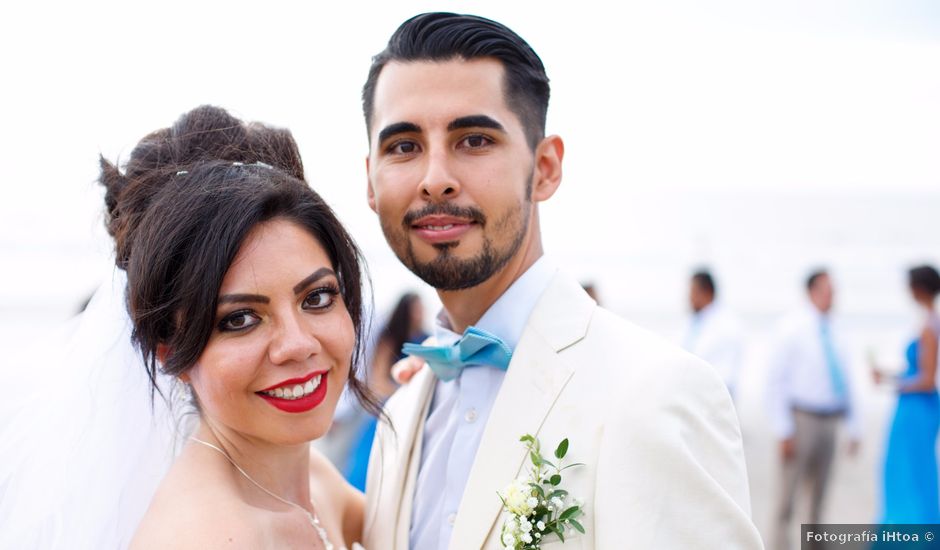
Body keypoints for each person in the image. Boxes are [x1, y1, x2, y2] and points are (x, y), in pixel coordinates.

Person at [360, 12, 762, 549]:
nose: (435, 178)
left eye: (474, 140)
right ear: (370, 180)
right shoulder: (400, 418)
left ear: (545, 168)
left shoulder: (657, 393)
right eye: (404, 146)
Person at [2, 106, 377, 549]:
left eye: (316, 297)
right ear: (167, 351)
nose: (297, 344)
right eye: (240, 320)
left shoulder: (309, 478)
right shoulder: (208, 536)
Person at [766, 269, 861, 550]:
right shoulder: (791, 327)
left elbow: (847, 380)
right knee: (786, 499)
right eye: (827, 289)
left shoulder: (836, 329)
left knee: (819, 499)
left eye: (833, 289)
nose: (832, 295)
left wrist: (855, 426)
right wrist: (783, 429)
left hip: (830, 420)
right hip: (801, 419)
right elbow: (775, 381)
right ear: (811, 292)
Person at [872, 265, 940, 523]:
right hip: (917, 405)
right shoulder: (929, 321)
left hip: (917, 408)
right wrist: (890, 377)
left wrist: (894, 385)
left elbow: (927, 379)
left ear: (918, 288)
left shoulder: (929, 326)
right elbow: (918, 371)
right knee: (910, 469)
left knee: (908, 469)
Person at [344, 292, 428, 490]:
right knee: (370, 465)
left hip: (418, 413)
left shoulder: (428, 338)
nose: (420, 313)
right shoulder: (392, 337)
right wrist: (406, 393)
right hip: (388, 409)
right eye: (416, 308)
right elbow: (378, 380)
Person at [682, 269, 744, 398]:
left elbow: (727, 376)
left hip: (711, 399)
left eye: (692, 292)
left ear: (707, 292)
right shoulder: (694, 322)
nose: (689, 297)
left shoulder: (727, 325)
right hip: (692, 395)